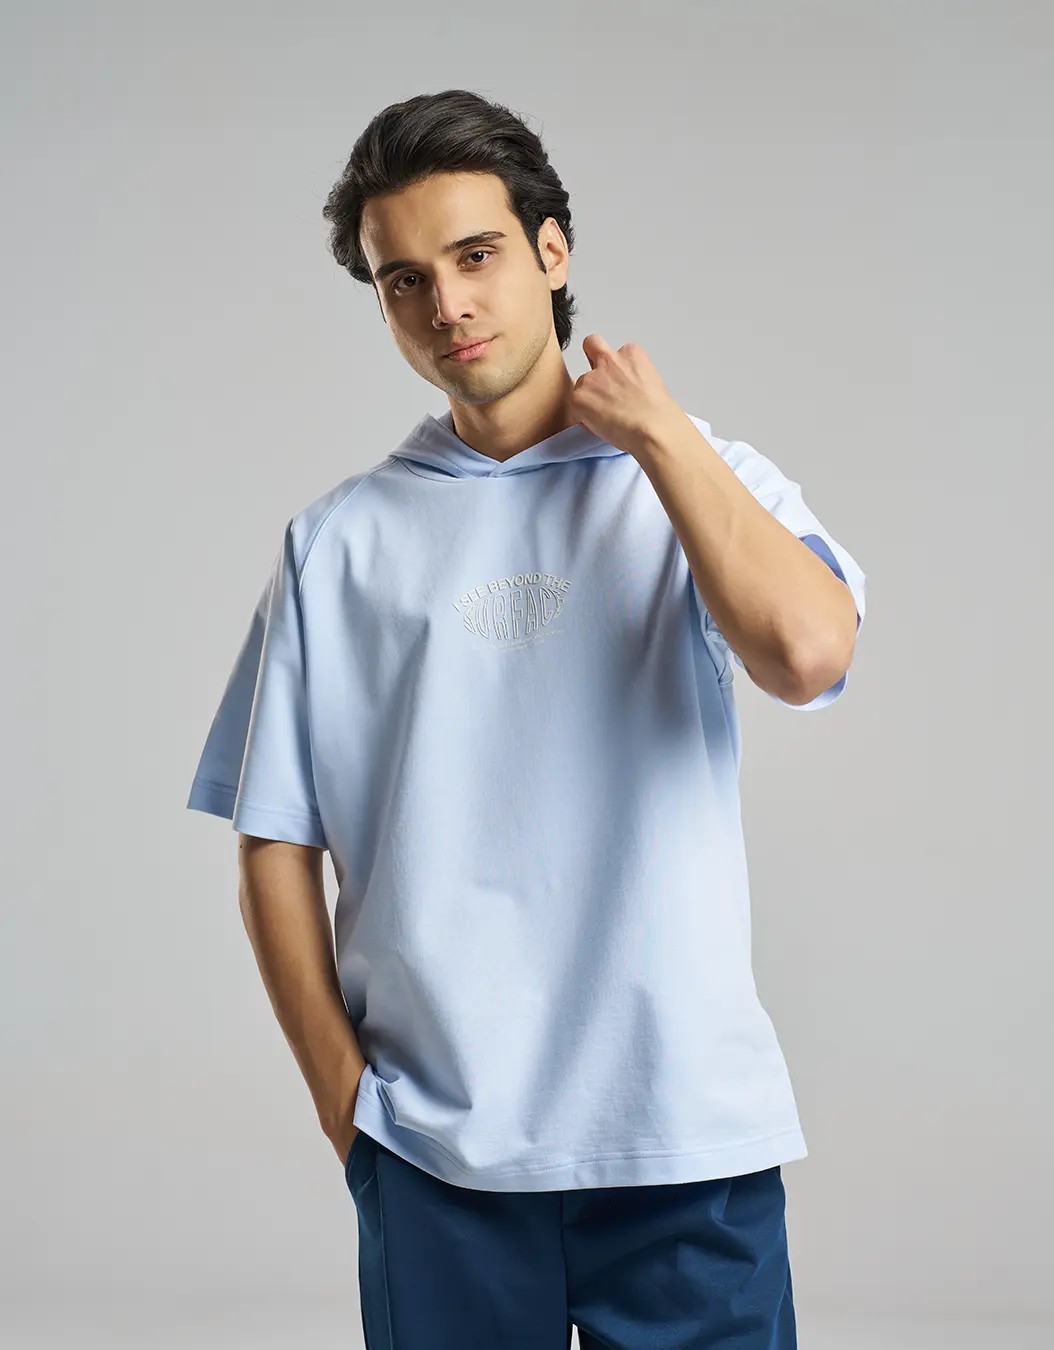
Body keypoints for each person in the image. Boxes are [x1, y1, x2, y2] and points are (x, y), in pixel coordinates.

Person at [187, 88, 866, 1350]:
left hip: (685, 1144)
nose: (446, 305)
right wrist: (349, 1114)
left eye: (476, 255)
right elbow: (273, 840)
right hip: (438, 1157)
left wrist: (660, 440)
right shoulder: (338, 542)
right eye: (403, 280)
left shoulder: (698, 476)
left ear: (552, 252)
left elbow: (809, 653)